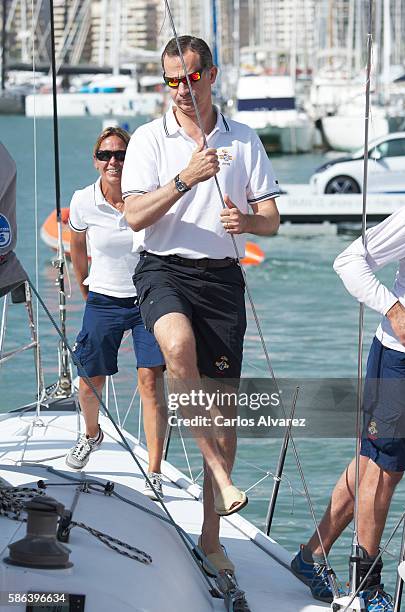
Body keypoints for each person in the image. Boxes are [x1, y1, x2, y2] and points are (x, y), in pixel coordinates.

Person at [122, 35, 280, 575]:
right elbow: (135, 217)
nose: (181, 90)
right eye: (171, 81)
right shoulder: (149, 138)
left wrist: (248, 223)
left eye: (190, 78)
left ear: (211, 74)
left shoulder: (245, 139)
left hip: (222, 281)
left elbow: (271, 220)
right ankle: (214, 466)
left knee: (224, 415)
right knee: (176, 345)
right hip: (163, 268)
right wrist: (185, 178)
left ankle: (212, 541)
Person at [291, 208, 405, 611]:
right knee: (383, 467)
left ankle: (311, 556)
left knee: (374, 463)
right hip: (400, 357)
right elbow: (349, 261)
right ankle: (367, 586)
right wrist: (395, 311)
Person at [66, 126, 167, 501]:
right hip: (103, 298)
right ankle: (91, 435)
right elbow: (76, 245)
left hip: (148, 300)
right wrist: (84, 286)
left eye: (121, 155)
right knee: (90, 379)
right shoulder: (83, 200)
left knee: (151, 382)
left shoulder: (146, 196)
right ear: (96, 161)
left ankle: (154, 471)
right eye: (106, 155)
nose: (113, 161)